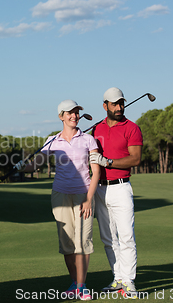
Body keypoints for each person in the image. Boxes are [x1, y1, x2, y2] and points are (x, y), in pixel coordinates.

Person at [18, 99, 100, 301]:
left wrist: (89, 199)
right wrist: (22, 166)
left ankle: (82, 286)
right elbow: (35, 165)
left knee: (83, 241)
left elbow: (96, 172)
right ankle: (74, 283)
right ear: (61, 116)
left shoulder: (88, 140)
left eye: (76, 112)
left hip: (84, 195)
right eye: (70, 113)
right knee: (67, 243)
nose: (74, 116)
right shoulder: (52, 141)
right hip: (60, 195)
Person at [89, 87, 143, 299]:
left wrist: (109, 162)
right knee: (108, 237)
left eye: (121, 103)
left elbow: (135, 158)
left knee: (126, 236)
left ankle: (129, 281)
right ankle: (118, 277)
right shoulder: (96, 129)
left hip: (121, 187)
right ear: (105, 106)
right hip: (100, 189)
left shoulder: (132, 127)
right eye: (114, 104)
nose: (119, 107)